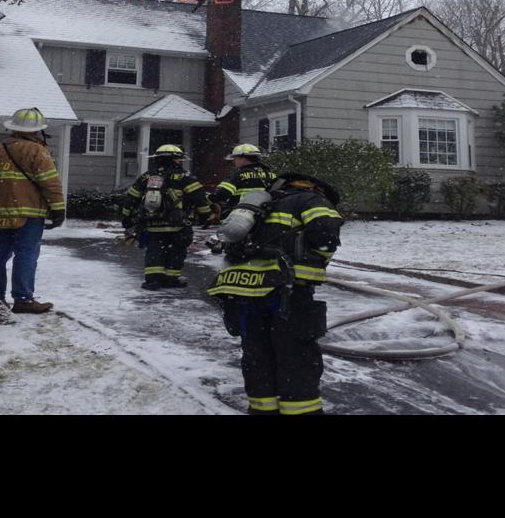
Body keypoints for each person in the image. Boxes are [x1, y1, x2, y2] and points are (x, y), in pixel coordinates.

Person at [207, 172, 343, 415]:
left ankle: (262, 408)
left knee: (257, 352)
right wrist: (316, 263)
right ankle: (301, 411)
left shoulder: (261, 205)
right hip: (285, 290)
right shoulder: (310, 201)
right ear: (317, 189)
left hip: (242, 289)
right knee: (296, 353)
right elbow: (325, 234)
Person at [0, 108, 65, 314]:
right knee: (26, 254)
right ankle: (23, 299)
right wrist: (58, 209)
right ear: (37, 131)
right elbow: (50, 183)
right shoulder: (37, 151)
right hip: (28, 214)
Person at [118, 144, 213, 290]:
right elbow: (199, 199)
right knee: (177, 250)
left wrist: (126, 218)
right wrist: (206, 216)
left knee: (155, 249)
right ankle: (171, 279)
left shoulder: (147, 176)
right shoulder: (184, 177)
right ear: (177, 160)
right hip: (179, 224)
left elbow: (131, 198)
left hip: (153, 221)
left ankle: (152, 280)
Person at [208, 144, 278, 213]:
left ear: (243, 159)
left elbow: (221, 195)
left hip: (240, 215)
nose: (233, 161)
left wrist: (208, 197)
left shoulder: (239, 175)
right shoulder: (271, 175)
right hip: (262, 216)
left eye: (235, 158)